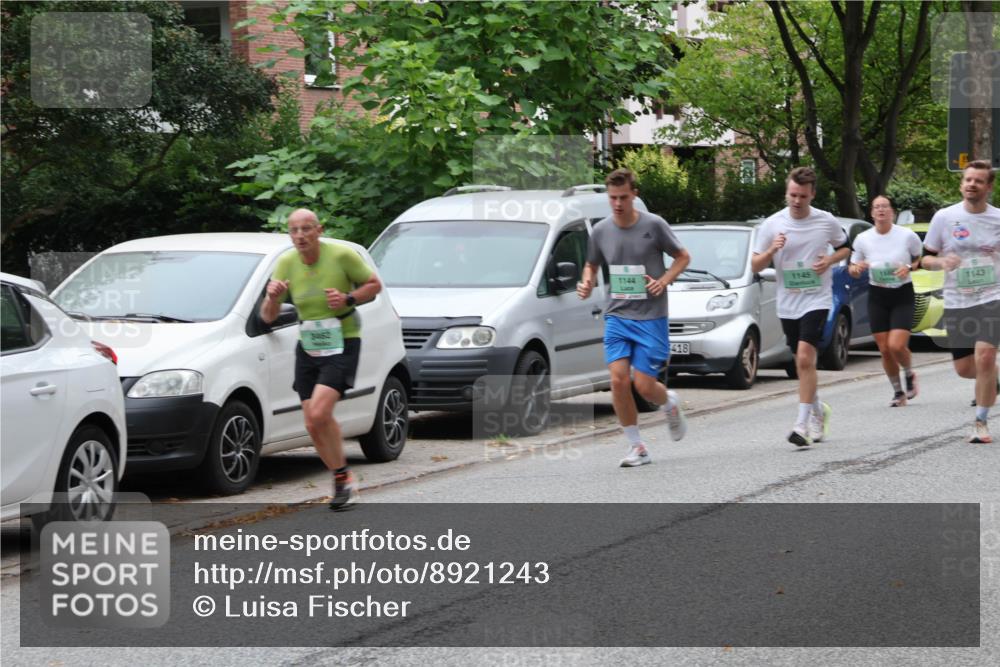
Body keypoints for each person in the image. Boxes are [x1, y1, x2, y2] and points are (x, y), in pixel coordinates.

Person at [259, 208, 383, 507]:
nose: (300, 236)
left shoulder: (341, 256)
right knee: (314, 422)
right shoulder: (286, 263)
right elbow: (267, 316)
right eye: (294, 230)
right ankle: (343, 480)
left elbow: (374, 285)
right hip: (309, 346)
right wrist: (272, 297)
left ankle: (343, 479)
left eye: (306, 229)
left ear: (319, 230)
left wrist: (348, 298)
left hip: (343, 341)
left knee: (318, 413)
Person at [577, 168, 692, 467]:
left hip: (651, 316)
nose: (617, 204)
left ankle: (669, 402)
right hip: (617, 315)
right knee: (617, 381)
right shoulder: (601, 230)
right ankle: (637, 446)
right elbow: (591, 264)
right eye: (613, 198)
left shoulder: (654, 225)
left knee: (643, 386)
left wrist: (664, 280)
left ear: (634, 195)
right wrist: (586, 280)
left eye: (623, 197)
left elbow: (683, 257)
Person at [751, 166, 851, 447]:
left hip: (817, 298)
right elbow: (755, 265)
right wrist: (772, 250)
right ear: (787, 192)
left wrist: (829, 262)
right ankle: (819, 410)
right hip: (788, 302)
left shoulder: (825, 221)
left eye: (803, 196)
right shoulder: (772, 224)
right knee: (801, 362)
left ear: (812, 195)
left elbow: (845, 248)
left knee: (806, 358)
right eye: (792, 195)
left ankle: (801, 424)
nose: (796, 201)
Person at [921, 160, 1000, 443]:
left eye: (978, 181)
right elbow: (923, 259)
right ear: (961, 183)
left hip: (992, 297)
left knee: (986, 356)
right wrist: (942, 262)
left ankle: (980, 423)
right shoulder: (944, 217)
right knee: (966, 368)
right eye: (968, 179)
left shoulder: (998, 219)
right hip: (957, 300)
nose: (971, 184)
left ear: (988, 187)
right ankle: (994, 380)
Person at [848, 195, 922, 406]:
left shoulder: (907, 236)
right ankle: (898, 392)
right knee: (884, 349)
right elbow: (853, 268)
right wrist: (856, 269)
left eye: (885, 207)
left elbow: (919, 259)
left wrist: (908, 267)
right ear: (871, 213)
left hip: (902, 293)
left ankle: (909, 374)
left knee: (896, 345)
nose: (881, 210)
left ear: (892, 212)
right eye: (876, 207)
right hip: (877, 295)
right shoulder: (863, 239)